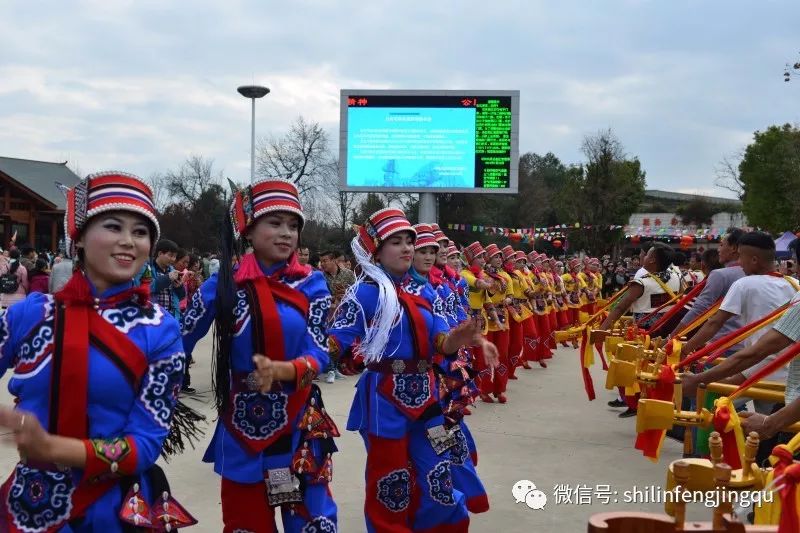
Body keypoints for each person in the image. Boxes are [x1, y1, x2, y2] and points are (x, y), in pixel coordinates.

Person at [0, 171, 198, 531]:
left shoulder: (161, 329)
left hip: (112, 509)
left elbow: (145, 443)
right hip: (29, 505)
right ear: (78, 239)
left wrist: (53, 448)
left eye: (140, 232)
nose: (128, 241)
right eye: (112, 226)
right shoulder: (30, 314)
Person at [181, 178, 337, 532]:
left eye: (293, 225)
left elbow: (320, 351)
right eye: (275, 223)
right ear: (248, 232)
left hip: (301, 420)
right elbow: (177, 342)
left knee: (316, 523)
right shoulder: (222, 286)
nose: (286, 233)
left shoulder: (311, 283)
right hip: (241, 425)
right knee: (245, 525)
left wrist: (289, 369)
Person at [328, 208, 498, 532]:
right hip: (384, 401)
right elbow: (336, 345)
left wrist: (460, 338)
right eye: (397, 242)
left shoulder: (424, 291)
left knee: (438, 477)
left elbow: (440, 343)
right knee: (391, 484)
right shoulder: (365, 294)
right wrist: (297, 367)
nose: (407, 248)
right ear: (376, 253)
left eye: (410, 240)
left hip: (428, 398)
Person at [680, 231, 799, 413]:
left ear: (753, 260)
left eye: (741, 256)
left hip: (759, 367)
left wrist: (686, 350)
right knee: (767, 430)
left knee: (708, 409)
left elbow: (714, 323)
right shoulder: (793, 284)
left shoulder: (745, 284)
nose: (739, 262)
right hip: (787, 371)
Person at [599, 242, 681, 417]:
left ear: (651, 261)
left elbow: (621, 308)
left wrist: (603, 328)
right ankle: (658, 403)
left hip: (643, 333)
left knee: (633, 368)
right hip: (666, 330)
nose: (642, 257)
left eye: (647, 254)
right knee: (658, 368)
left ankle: (636, 404)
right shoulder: (676, 277)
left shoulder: (641, 283)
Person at [319, 249, 356, 383]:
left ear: (334, 260)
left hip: (345, 312)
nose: (322, 264)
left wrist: (345, 297)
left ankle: (334, 368)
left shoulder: (348, 274)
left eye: (325, 261)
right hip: (328, 313)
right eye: (321, 261)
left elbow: (356, 292)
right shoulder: (321, 276)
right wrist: (333, 300)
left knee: (339, 340)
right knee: (329, 338)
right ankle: (330, 370)